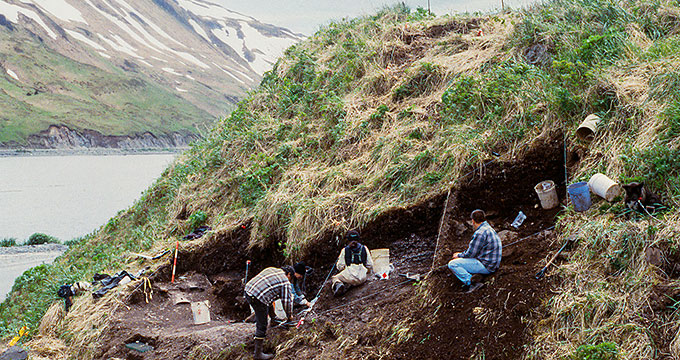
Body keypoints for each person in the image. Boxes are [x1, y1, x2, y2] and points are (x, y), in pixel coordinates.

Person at [244, 266, 296, 359]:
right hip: (258, 297)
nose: (290, 280)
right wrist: (289, 316)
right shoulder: (285, 281)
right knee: (262, 324)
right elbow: (286, 301)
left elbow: (269, 295)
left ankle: (272, 319)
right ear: (289, 274)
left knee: (267, 300)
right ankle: (258, 354)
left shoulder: (271, 269)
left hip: (248, 290)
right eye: (291, 278)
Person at [448, 209, 502, 293]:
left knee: (452, 264)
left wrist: (458, 255)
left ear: (473, 221)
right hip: (493, 264)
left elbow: (470, 253)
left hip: (487, 266)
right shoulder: (488, 228)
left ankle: (472, 283)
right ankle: (477, 276)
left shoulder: (480, 233)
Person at [331, 230, 374, 296]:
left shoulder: (345, 250)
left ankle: (340, 285)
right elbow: (370, 265)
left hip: (350, 275)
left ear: (348, 239)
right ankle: (350, 283)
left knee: (335, 277)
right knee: (358, 277)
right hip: (363, 277)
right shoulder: (364, 248)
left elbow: (340, 266)